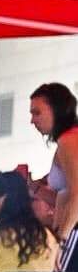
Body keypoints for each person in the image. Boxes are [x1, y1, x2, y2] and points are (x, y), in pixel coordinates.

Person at [30, 80, 78, 248]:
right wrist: (34, 187)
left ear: (56, 111)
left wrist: (61, 240)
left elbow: (77, 194)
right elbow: (64, 197)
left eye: (37, 113)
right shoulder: (67, 140)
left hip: (71, 235)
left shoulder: (69, 140)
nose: (32, 120)